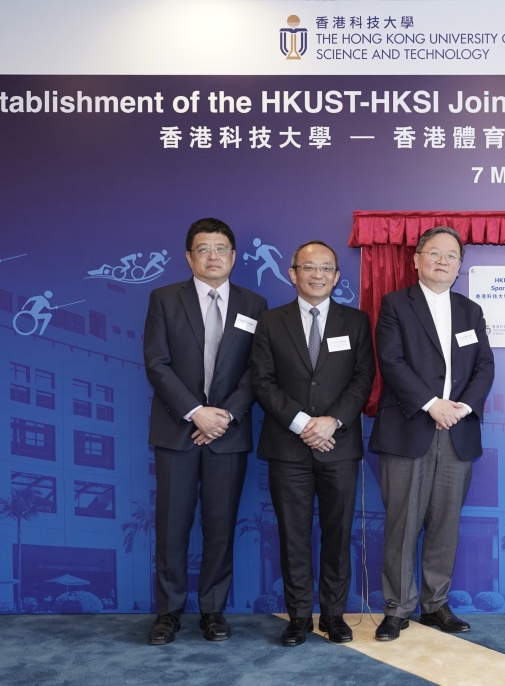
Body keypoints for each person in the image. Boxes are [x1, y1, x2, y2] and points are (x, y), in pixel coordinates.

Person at [143, 218, 267, 645]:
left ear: (234, 256)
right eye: (203, 249)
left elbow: (258, 370)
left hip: (227, 434)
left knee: (221, 526)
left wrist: (224, 416)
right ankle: (168, 612)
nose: (213, 256)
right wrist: (196, 412)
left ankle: (213, 610)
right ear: (189, 256)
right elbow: (156, 363)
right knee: (171, 526)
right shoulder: (164, 299)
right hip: (177, 431)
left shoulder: (255, 304)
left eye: (221, 249)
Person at [368, 226, 495, 641]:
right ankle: (397, 609)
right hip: (410, 428)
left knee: (445, 524)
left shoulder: (470, 310)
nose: (443, 261)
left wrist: (462, 408)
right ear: (416, 259)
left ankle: (435, 604)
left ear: (460, 266)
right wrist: (431, 404)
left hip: (457, 430)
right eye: (434, 253)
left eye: (451, 255)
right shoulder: (395, 304)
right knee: (402, 525)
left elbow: (484, 366)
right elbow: (391, 360)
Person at [251, 240, 375, 647]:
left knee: (338, 535)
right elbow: (262, 381)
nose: (317, 275)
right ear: (293, 273)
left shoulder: (356, 321)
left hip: (339, 446)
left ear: (337, 276)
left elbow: (363, 379)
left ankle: (334, 616)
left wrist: (332, 422)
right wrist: (304, 423)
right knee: (293, 535)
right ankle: (299, 617)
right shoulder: (270, 321)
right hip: (288, 447)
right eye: (308, 267)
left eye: (326, 268)